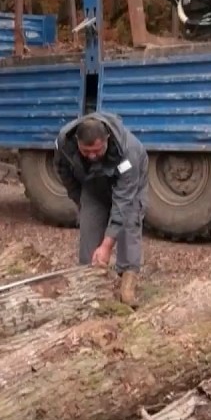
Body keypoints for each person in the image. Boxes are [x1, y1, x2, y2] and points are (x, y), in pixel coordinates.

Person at [53, 111, 149, 306]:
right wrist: (80, 200)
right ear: (78, 142)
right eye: (86, 152)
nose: (93, 156)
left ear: (106, 139)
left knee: (129, 222)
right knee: (88, 224)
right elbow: (64, 172)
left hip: (127, 187)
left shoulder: (129, 151)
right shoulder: (65, 142)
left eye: (97, 150)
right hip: (93, 184)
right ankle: (88, 281)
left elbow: (122, 201)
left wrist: (106, 246)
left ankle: (127, 283)